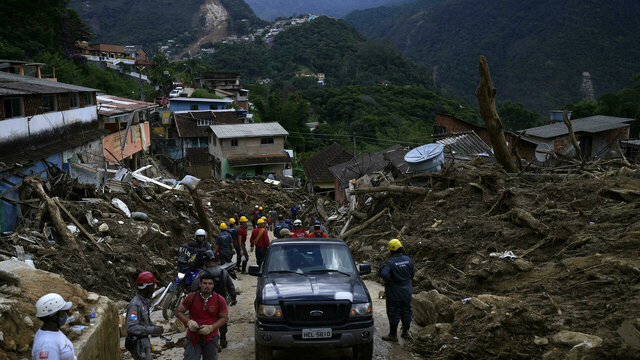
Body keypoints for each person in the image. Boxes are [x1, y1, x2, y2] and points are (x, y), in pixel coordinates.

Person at [176, 272, 228, 360]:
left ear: (213, 285)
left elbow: (224, 318)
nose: (207, 286)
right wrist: (188, 322)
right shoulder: (191, 297)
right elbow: (178, 312)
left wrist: (211, 328)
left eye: (210, 283)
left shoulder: (220, 300)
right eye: (204, 283)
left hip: (211, 338)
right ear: (200, 284)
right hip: (193, 337)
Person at [191, 251, 237, 349]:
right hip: (221, 301)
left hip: (208, 302)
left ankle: (213, 344)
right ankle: (223, 340)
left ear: (205, 262)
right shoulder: (223, 272)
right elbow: (231, 287)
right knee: (222, 320)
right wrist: (233, 298)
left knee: (210, 322)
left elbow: (194, 288)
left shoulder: (203, 274)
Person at [378, 239, 415, 341]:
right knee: (406, 311)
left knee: (394, 312)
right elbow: (412, 274)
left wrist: (390, 280)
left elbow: (384, 274)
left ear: (391, 250)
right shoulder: (408, 260)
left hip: (394, 292)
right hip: (407, 291)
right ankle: (406, 333)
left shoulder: (389, 262)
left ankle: (393, 335)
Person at [125, 272, 164, 360]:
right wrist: (152, 329)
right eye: (153, 286)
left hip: (143, 342)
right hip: (137, 344)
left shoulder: (144, 302)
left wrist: (154, 327)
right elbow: (131, 327)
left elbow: (144, 321)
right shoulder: (135, 305)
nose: (154, 289)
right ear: (147, 286)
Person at [32, 293, 76, 360]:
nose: (65, 315)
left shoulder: (53, 331)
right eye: (63, 312)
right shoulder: (46, 344)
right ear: (54, 317)